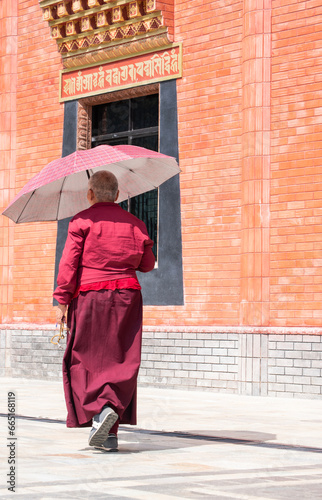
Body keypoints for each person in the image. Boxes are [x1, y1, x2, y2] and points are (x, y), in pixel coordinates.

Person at [53, 170, 155, 452]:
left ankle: (100, 412)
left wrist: (62, 300)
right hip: (128, 296)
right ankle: (109, 432)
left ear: (90, 194)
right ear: (118, 195)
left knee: (84, 357)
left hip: (90, 295)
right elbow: (146, 265)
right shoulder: (136, 223)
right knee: (121, 358)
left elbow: (69, 264)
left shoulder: (82, 221)